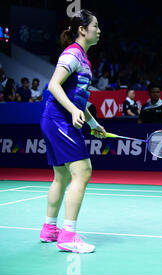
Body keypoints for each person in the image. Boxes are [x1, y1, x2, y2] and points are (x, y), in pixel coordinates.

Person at [39, 9, 106, 253]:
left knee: (62, 176)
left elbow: (76, 100)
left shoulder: (84, 59)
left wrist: (92, 123)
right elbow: (54, 85)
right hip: (59, 120)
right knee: (83, 171)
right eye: (95, 26)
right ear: (82, 29)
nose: (99, 30)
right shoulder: (72, 54)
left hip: (56, 119)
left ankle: (49, 229)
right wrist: (72, 112)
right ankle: (67, 235)